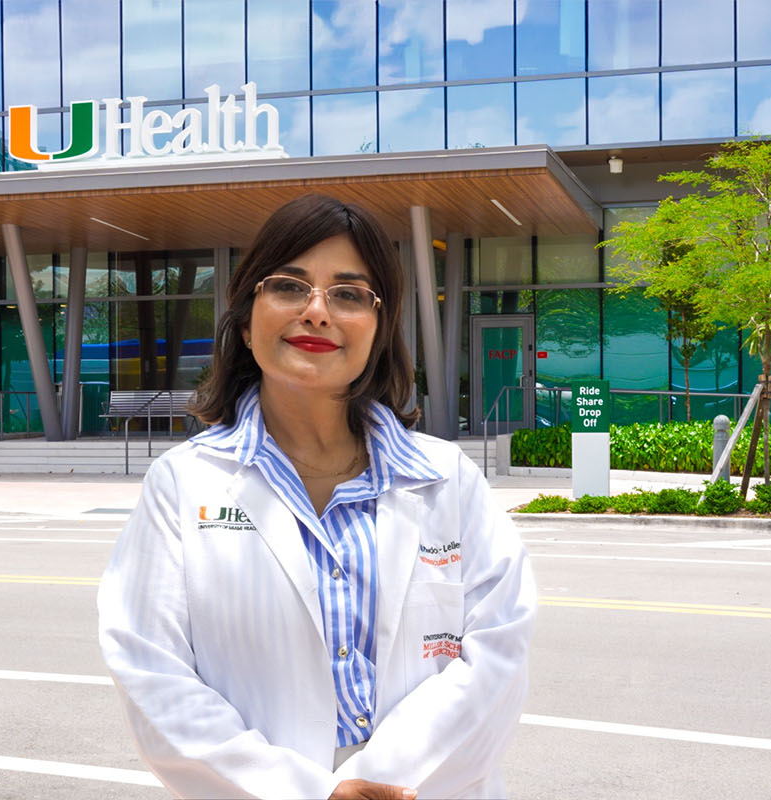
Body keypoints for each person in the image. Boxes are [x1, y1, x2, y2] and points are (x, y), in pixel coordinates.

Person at [97, 194, 537, 799]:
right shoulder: (181, 485)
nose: (317, 312)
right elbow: (151, 671)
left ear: (379, 330)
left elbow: (497, 652)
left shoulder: (448, 479)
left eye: (350, 294)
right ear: (247, 319)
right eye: (289, 286)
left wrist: (375, 780)